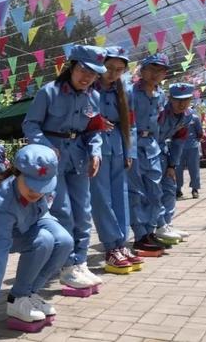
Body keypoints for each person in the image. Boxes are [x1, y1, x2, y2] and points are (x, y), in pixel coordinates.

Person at [23, 44, 106, 291]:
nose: (87, 77)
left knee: (84, 211)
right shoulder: (49, 93)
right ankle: (67, 266)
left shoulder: (94, 97)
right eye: (83, 70)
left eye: (93, 74)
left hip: (79, 156)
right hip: (53, 158)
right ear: (71, 66)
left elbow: (94, 130)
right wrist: (47, 147)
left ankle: (79, 262)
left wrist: (96, 151)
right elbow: (31, 125)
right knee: (63, 211)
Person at [0, 144, 72, 329]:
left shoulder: (42, 186)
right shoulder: (3, 204)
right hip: (1, 227)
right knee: (43, 241)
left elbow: (43, 208)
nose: (37, 192)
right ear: (18, 173)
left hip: (32, 217)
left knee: (64, 241)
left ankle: (29, 293)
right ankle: (17, 299)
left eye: (43, 187)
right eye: (32, 185)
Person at [90, 46, 143, 273]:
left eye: (119, 70)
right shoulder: (89, 88)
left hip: (118, 147)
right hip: (96, 148)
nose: (113, 73)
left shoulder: (125, 92)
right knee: (102, 199)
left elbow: (130, 124)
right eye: (109, 68)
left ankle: (121, 243)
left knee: (120, 196)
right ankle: (110, 247)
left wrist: (129, 152)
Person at [127, 53, 170, 254]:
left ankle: (150, 230)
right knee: (136, 192)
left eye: (160, 71)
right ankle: (140, 235)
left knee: (155, 189)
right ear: (142, 71)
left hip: (152, 145)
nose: (155, 74)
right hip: (133, 146)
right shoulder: (130, 93)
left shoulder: (161, 95)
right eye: (151, 69)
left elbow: (160, 123)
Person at [154, 83, 194, 243]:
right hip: (146, 150)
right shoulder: (160, 111)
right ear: (170, 99)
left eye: (186, 100)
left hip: (162, 151)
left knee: (170, 187)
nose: (181, 104)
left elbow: (179, 140)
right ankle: (158, 226)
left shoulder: (188, 115)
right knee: (153, 190)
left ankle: (167, 223)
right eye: (177, 100)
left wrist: (172, 165)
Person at [176, 111, 204, 199]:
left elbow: (200, 132)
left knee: (194, 168)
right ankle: (178, 189)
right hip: (178, 147)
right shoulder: (175, 117)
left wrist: (195, 142)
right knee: (178, 169)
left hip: (192, 147)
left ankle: (195, 189)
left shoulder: (194, 117)